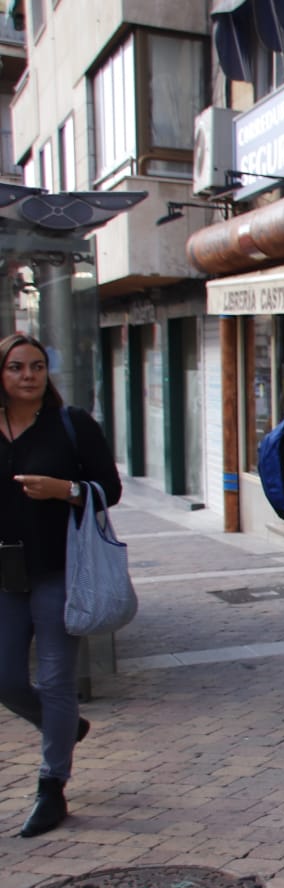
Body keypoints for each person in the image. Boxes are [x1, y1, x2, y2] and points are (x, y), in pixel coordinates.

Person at [0, 333, 121, 837]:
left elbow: (108, 490)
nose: (28, 375)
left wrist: (64, 491)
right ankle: (66, 726)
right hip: (4, 579)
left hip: (60, 571)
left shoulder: (73, 425)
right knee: (5, 679)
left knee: (54, 681)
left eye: (37, 366)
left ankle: (52, 784)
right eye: (16, 367)